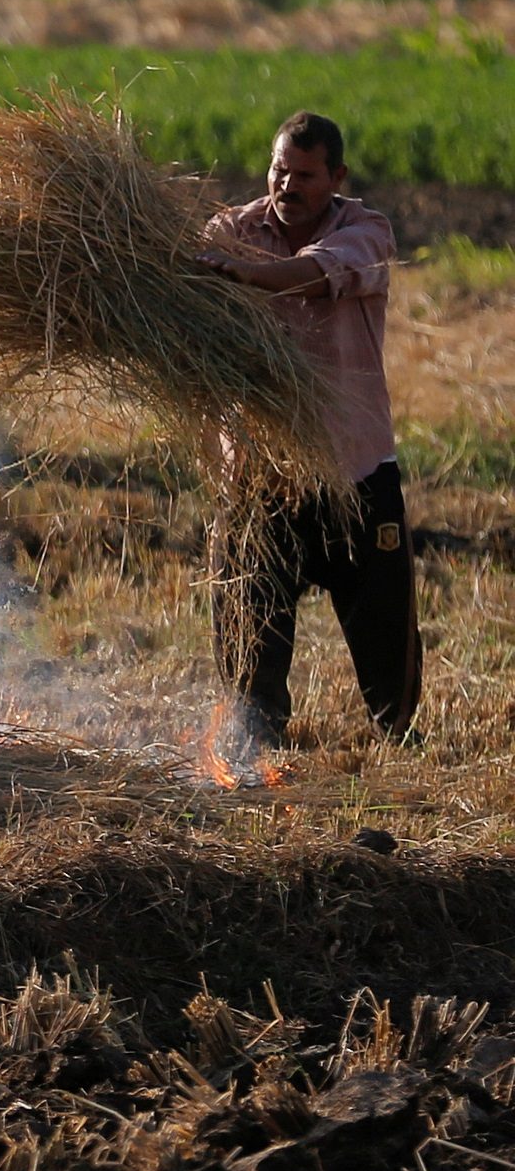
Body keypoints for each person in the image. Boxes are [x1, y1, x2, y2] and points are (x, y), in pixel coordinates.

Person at [194, 111, 419, 747]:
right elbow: (187, 280)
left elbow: (319, 274)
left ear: (337, 177)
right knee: (247, 633)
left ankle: (398, 745)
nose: (285, 186)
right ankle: (256, 753)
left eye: (304, 175)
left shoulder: (366, 231)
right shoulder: (232, 230)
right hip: (258, 474)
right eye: (278, 170)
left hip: (354, 469)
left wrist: (243, 275)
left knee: (386, 641)